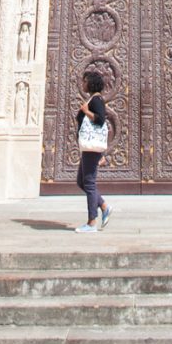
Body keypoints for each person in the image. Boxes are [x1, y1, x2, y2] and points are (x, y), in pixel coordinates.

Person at [75, 70, 111, 233]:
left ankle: (91, 223)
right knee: (81, 182)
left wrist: (86, 111)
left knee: (89, 183)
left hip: (91, 147)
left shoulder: (96, 100)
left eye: (85, 81)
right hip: (88, 147)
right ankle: (104, 206)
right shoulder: (93, 99)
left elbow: (101, 119)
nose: (83, 84)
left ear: (91, 83)